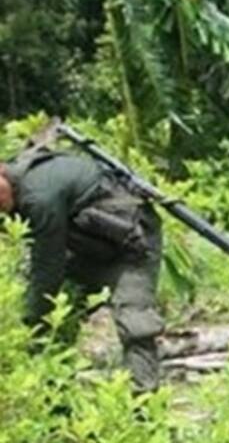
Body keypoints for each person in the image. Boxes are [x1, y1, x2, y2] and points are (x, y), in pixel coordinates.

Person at [0, 147, 164, 391]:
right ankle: (54, 401)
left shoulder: (39, 195)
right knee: (62, 318)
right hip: (85, 247)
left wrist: (28, 328)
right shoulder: (15, 190)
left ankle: (145, 410)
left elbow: (47, 269)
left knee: (136, 325)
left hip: (131, 243)